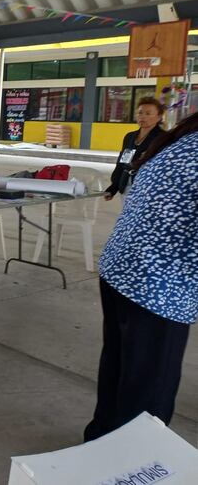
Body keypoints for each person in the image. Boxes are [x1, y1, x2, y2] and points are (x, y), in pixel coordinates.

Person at [83, 111, 198, 442]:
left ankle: (98, 447)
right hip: (159, 287)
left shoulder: (180, 139)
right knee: (149, 397)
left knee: (119, 372)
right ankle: (131, 465)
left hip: (121, 269)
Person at [104, 96, 164, 201]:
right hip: (126, 186)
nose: (142, 117)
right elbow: (122, 163)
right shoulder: (130, 137)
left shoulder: (163, 138)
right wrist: (114, 186)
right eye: (140, 113)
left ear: (159, 117)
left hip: (147, 190)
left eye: (148, 113)